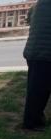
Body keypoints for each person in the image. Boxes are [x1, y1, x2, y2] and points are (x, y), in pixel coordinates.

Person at [23, 0, 51, 131]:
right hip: (44, 53)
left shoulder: (40, 5)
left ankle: (35, 119)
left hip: (36, 52)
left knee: (35, 90)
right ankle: (31, 123)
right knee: (38, 92)